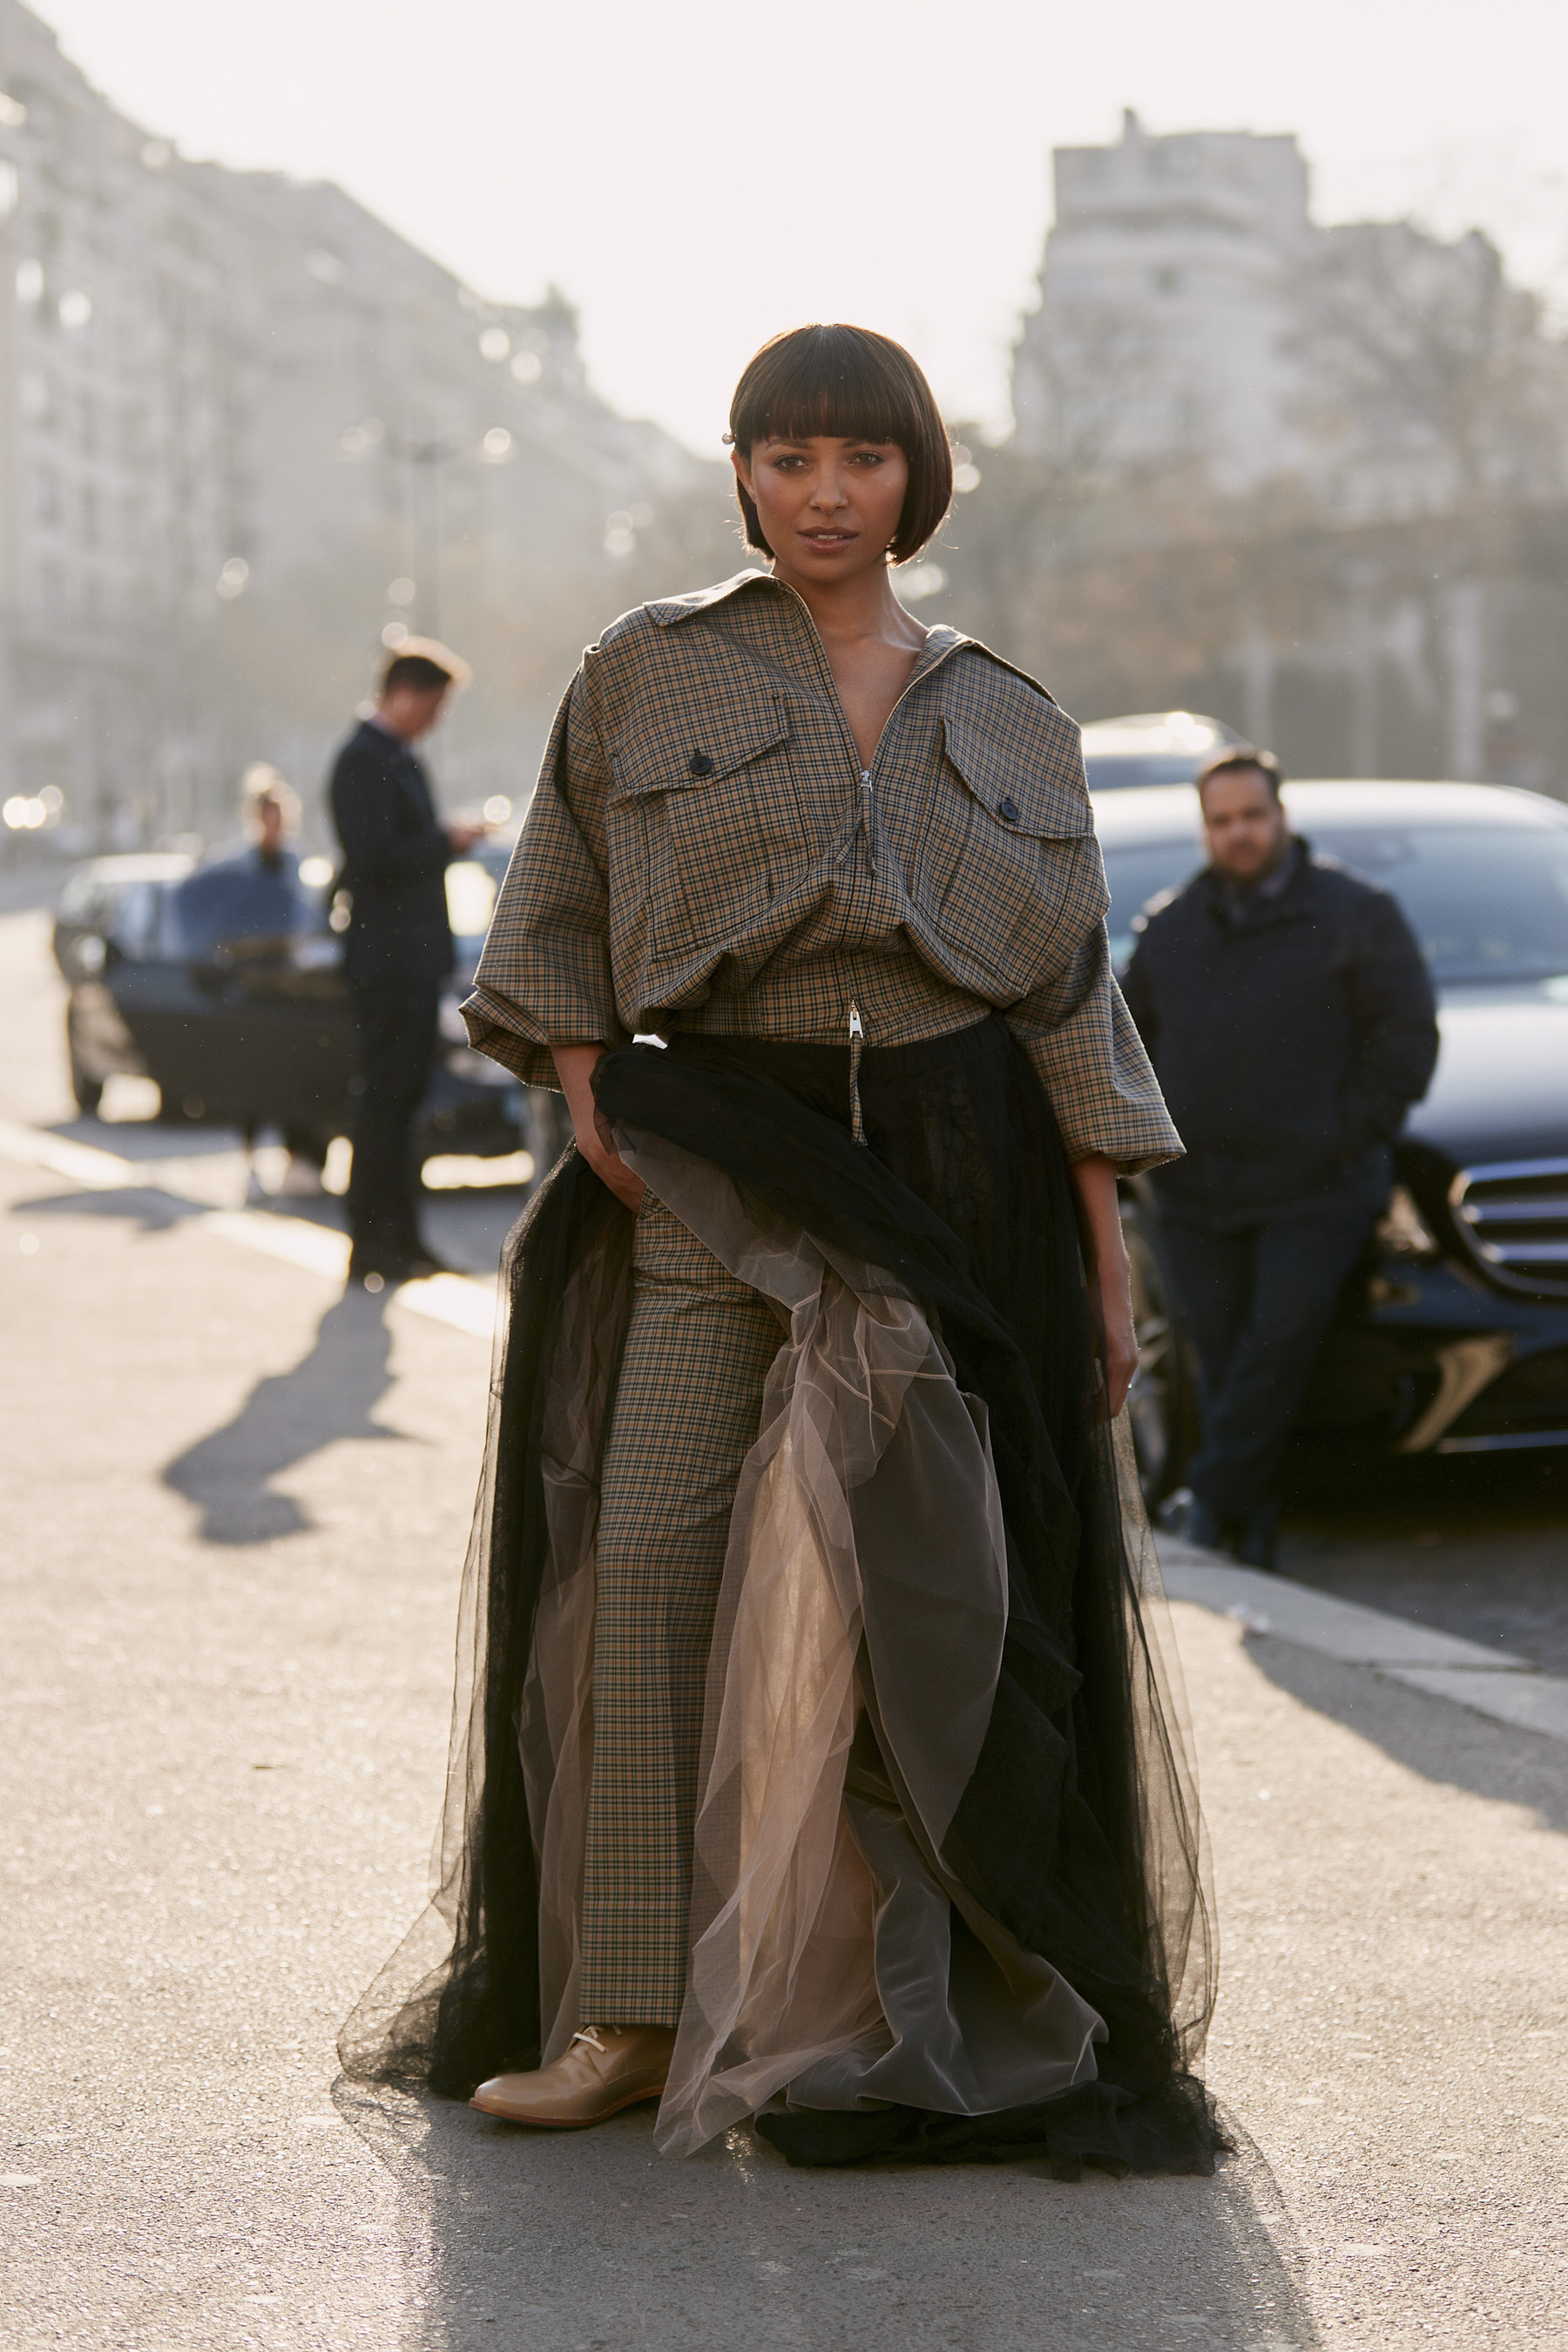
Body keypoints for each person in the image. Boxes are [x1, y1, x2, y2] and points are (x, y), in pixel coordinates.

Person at [342, 325, 1225, 2180]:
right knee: (651, 1553)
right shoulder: (643, 669)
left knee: (930, 1593)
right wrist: (591, 1094)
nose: (826, 492)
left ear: (919, 477)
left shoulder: (1008, 713)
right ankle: (637, 2014)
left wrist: (1108, 1263)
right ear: (739, 471)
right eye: (788, 455)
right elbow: (557, 898)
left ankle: (913, 2008)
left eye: (863, 458)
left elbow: (1072, 1001)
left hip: (957, 1170)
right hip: (712, 1159)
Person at [1122, 747, 1439, 1569]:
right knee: (1228, 1363)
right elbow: (1129, 1045)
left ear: (1282, 815)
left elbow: (1406, 1041)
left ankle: (1206, 1510)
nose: (1239, 834)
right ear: (1206, 828)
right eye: (1222, 821)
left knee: (1277, 1347)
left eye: (1253, 816)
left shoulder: (1355, 913)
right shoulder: (1171, 925)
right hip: (1196, 1195)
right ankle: (1248, 1538)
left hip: (1317, 1190)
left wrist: (1345, 1135)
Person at [328, 639, 482, 1284]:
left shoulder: (394, 756)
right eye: (436, 705)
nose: (437, 719)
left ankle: (403, 1238)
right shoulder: (364, 759)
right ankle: (372, 1243)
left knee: (403, 1101)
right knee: (385, 1101)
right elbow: (373, 857)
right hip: (387, 962)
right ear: (405, 694)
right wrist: (445, 840)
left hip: (408, 961)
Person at [174, 765, 323, 1198]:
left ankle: (296, 1159)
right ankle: (252, 1160)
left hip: (290, 979)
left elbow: (308, 916)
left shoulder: (298, 862)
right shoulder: (236, 865)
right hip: (252, 978)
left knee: (293, 1070)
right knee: (252, 1073)